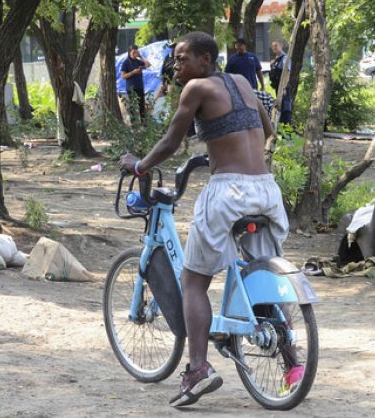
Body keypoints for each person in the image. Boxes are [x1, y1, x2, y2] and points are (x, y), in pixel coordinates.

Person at [119, 31, 291, 408]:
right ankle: (292, 360)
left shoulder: (195, 89)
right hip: (265, 189)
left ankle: (198, 369)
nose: (176, 65)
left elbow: (170, 142)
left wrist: (140, 165)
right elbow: (266, 130)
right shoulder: (244, 82)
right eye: (176, 59)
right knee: (258, 269)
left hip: (228, 191)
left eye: (183, 59)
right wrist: (225, 143)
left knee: (193, 281)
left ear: (205, 62)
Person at [120, 44, 151, 123]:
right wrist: (133, 72)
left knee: (142, 106)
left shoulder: (138, 61)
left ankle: (144, 124)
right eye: (133, 52)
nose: (135, 54)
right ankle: (134, 125)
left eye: (136, 52)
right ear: (129, 52)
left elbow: (148, 65)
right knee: (133, 107)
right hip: (131, 88)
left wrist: (141, 56)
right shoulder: (126, 62)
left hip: (139, 86)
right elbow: (123, 76)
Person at [268, 40, 294, 126]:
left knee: (286, 108)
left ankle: (287, 132)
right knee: (280, 108)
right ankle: (282, 129)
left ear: (281, 46)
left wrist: (283, 87)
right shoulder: (276, 60)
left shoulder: (285, 58)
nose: (274, 48)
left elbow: (287, 74)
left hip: (283, 87)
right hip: (277, 87)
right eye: (273, 46)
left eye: (276, 45)